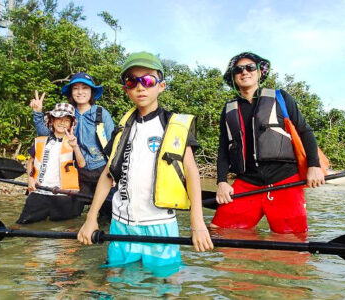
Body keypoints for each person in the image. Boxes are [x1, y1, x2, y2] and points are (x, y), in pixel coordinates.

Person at [77, 52, 214, 273]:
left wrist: (197, 223)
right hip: (121, 225)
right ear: (126, 89)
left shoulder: (173, 124)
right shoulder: (121, 129)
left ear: (161, 86)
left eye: (148, 80)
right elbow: (107, 175)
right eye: (132, 81)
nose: (141, 87)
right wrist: (91, 218)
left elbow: (191, 172)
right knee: (116, 279)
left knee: (168, 283)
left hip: (160, 224)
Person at [211, 52, 325, 234]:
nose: (245, 72)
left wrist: (314, 165)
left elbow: (305, 131)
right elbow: (224, 149)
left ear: (259, 73)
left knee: (292, 240)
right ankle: (253, 257)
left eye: (250, 67)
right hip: (247, 180)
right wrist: (222, 182)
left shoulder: (281, 98)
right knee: (219, 231)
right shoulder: (228, 109)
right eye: (239, 69)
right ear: (233, 76)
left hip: (284, 179)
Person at [30, 72, 115, 212]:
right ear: (71, 92)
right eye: (75, 88)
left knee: (107, 213)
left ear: (92, 92)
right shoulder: (67, 113)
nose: (80, 92)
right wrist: (38, 112)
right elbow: (46, 135)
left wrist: (114, 173)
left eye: (85, 88)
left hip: (102, 169)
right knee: (71, 213)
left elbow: (114, 144)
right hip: (76, 171)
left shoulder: (101, 113)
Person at [16, 103, 86, 224]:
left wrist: (75, 147)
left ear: (71, 124)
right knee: (23, 223)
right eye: (59, 118)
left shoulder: (73, 142)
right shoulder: (41, 141)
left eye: (67, 120)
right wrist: (30, 179)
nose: (62, 123)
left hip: (65, 195)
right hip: (39, 191)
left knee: (65, 229)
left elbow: (82, 164)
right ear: (52, 121)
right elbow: (30, 161)